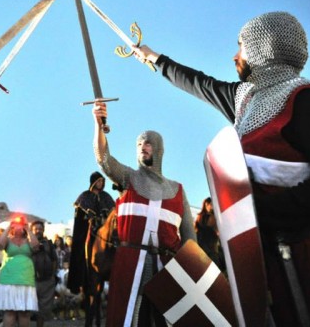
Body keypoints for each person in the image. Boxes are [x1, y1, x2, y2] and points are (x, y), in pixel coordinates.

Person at [132, 11, 310, 326]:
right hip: (263, 258)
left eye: (240, 46)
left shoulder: (309, 102)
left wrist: (263, 214)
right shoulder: (245, 99)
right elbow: (200, 83)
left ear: (262, 48)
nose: (234, 56)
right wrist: (154, 59)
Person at [92, 103, 195, 326]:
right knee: (130, 320)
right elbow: (103, 158)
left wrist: (192, 270)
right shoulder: (129, 178)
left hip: (167, 266)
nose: (142, 147)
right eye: (139, 143)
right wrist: (98, 126)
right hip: (130, 265)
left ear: (158, 149)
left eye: (148, 143)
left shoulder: (177, 190)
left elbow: (189, 239)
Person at [68, 171, 115, 327]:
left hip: (105, 231)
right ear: (93, 182)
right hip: (91, 231)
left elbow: (113, 214)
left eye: (103, 181)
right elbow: (79, 216)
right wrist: (88, 218)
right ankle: (86, 268)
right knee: (86, 243)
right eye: (99, 181)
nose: (101, 184)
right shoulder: (84, 197)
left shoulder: (107, 197)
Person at [0, 217, 39, 327]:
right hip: (8, 279)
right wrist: (9, 226)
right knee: (10, 312)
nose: (18, 226)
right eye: (16, 224)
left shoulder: (28, 239)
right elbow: (0, 244)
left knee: (24, 314)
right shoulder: (8, 239)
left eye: (20, 224)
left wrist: (27, 228)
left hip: (26, 279)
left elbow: (36, 246)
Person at [30, 220, 57, 327]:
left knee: (43, 309)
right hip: (31, 280)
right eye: (36, 229)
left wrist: (52, 276)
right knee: (28, 308)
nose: (38, 231)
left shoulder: (49, 244)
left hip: (47, 282)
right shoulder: (27, 243)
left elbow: (54, 260)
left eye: (40, 229)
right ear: (31, 230)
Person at [194, 197, 224, 270]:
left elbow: (218, 233)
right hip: (204, 248)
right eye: (208, 204)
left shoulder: (214, 217)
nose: (210, 206)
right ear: (205, 205)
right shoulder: (201, 216)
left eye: (211, 204)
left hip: (209, 249)